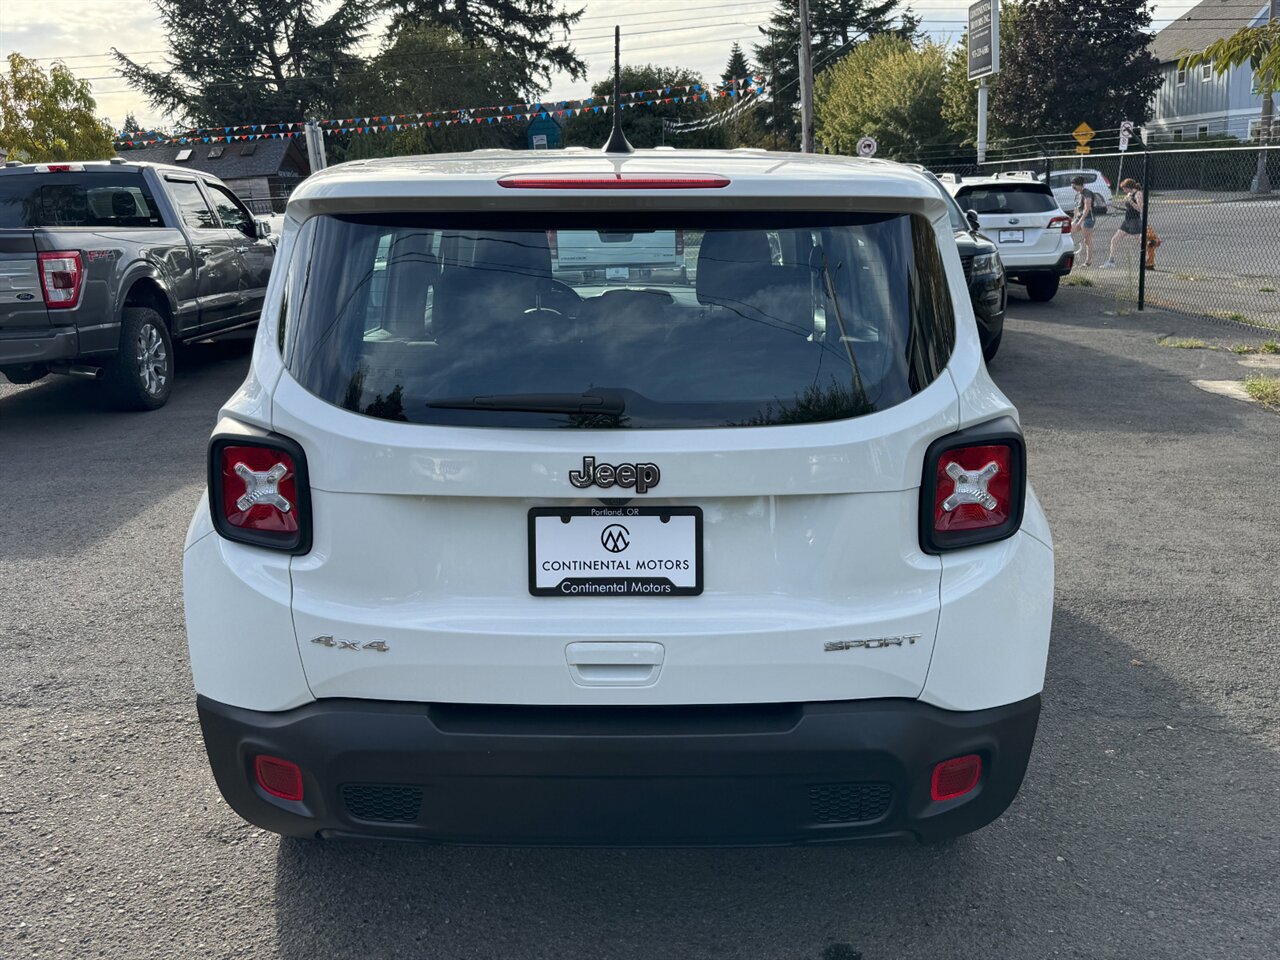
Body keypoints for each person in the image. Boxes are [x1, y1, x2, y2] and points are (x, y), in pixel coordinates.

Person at [1101, 178, 1143, 268]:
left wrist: (1130, 201)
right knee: (1114, 240)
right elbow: (1126, 206)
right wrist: (1112, 204)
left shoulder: (1138, 194)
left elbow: (1139, 208)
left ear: (1129, 187)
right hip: (1127, 220)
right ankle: (1111, 261)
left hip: (1135, 221)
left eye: (1124, 188)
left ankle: (1146, 259)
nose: (1123, 190)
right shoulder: (1129, 194)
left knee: (1140, 242)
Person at [1069, 175, 1098, 267]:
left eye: (1074, 186)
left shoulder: (1087, 193)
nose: (1073, 188)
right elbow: (1077, 209)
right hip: (1078, 218)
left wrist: (1079, 222)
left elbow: (1087, 209)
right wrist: (1074, 220)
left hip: (1088, 219)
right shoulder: (1078, 193)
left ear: (1080, 185)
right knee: (1067, 232)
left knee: (1087, 240)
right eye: (1072, 186)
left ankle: (1088, 261)